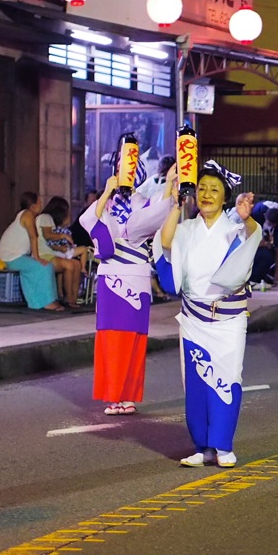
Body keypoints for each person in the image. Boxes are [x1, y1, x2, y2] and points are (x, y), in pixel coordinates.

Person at [156, 161, 260, 468]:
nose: (206, 194)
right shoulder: (186, 229)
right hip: (193, 320)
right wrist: (176, 204)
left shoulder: (235, 227)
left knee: (227, 378)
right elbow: (164, 243)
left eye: (214, 189)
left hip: (228, 320)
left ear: (225, 197)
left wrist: (247, 217)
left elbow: (254, 235)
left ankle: (223, 445)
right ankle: (202, 447)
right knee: (196, 384)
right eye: (201, 188)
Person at [82, 160, 176, 416]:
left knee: (134, 337)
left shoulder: (146, 201)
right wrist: (105, 193)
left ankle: (129, 395)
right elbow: (89, 221)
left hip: (136, 275)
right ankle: (113, 396)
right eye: (119, 171)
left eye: (129, 172)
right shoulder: (108, 203)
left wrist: (169, 184)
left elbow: (162, 210)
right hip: (111, 276)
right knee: (110, 337)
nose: (124, 177)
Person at [0, 192, 62, 311]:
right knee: (44, 267)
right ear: (33, 206)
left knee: (35, 269)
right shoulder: (28, 214)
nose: (41, 205)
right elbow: (33, 237)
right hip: (10, 256)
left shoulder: (26, 215)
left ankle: (36, 302)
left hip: (13, 256)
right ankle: (47, 302)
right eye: (39, 202)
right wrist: (37, 258)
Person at [36, 195, 87, 309]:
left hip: (52, 253)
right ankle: (68, 298)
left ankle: (73, 298)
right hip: (44, 254)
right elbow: (48, 236)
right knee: (69, 265)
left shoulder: (51, 221)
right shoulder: (45, 217)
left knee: (77, 264)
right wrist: (63, 236)